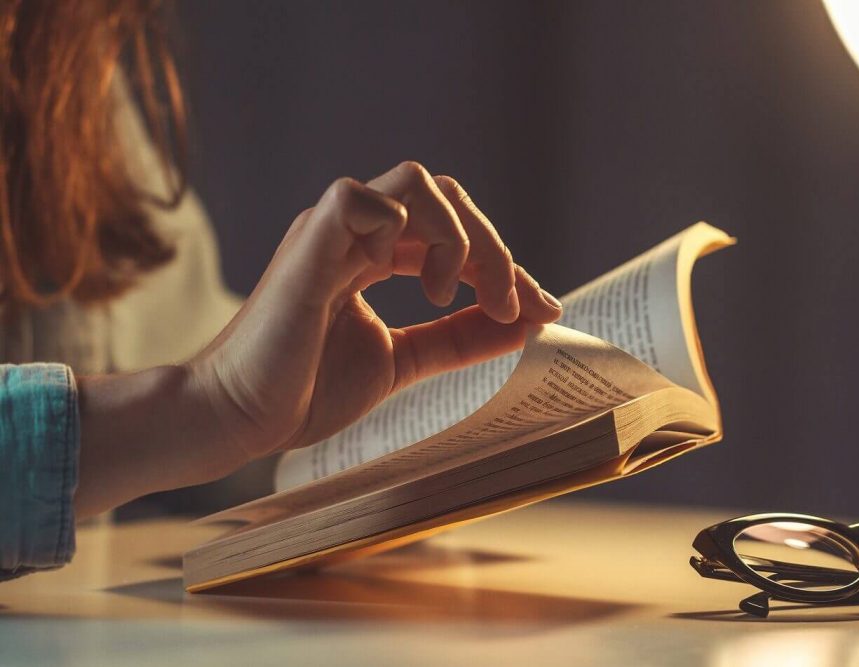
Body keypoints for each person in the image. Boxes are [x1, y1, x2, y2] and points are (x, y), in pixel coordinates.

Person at [0, 1, 562, 580]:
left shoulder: (54, 42)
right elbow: (204, 403)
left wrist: (438, 429)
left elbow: (207, 378)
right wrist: (211, 405)